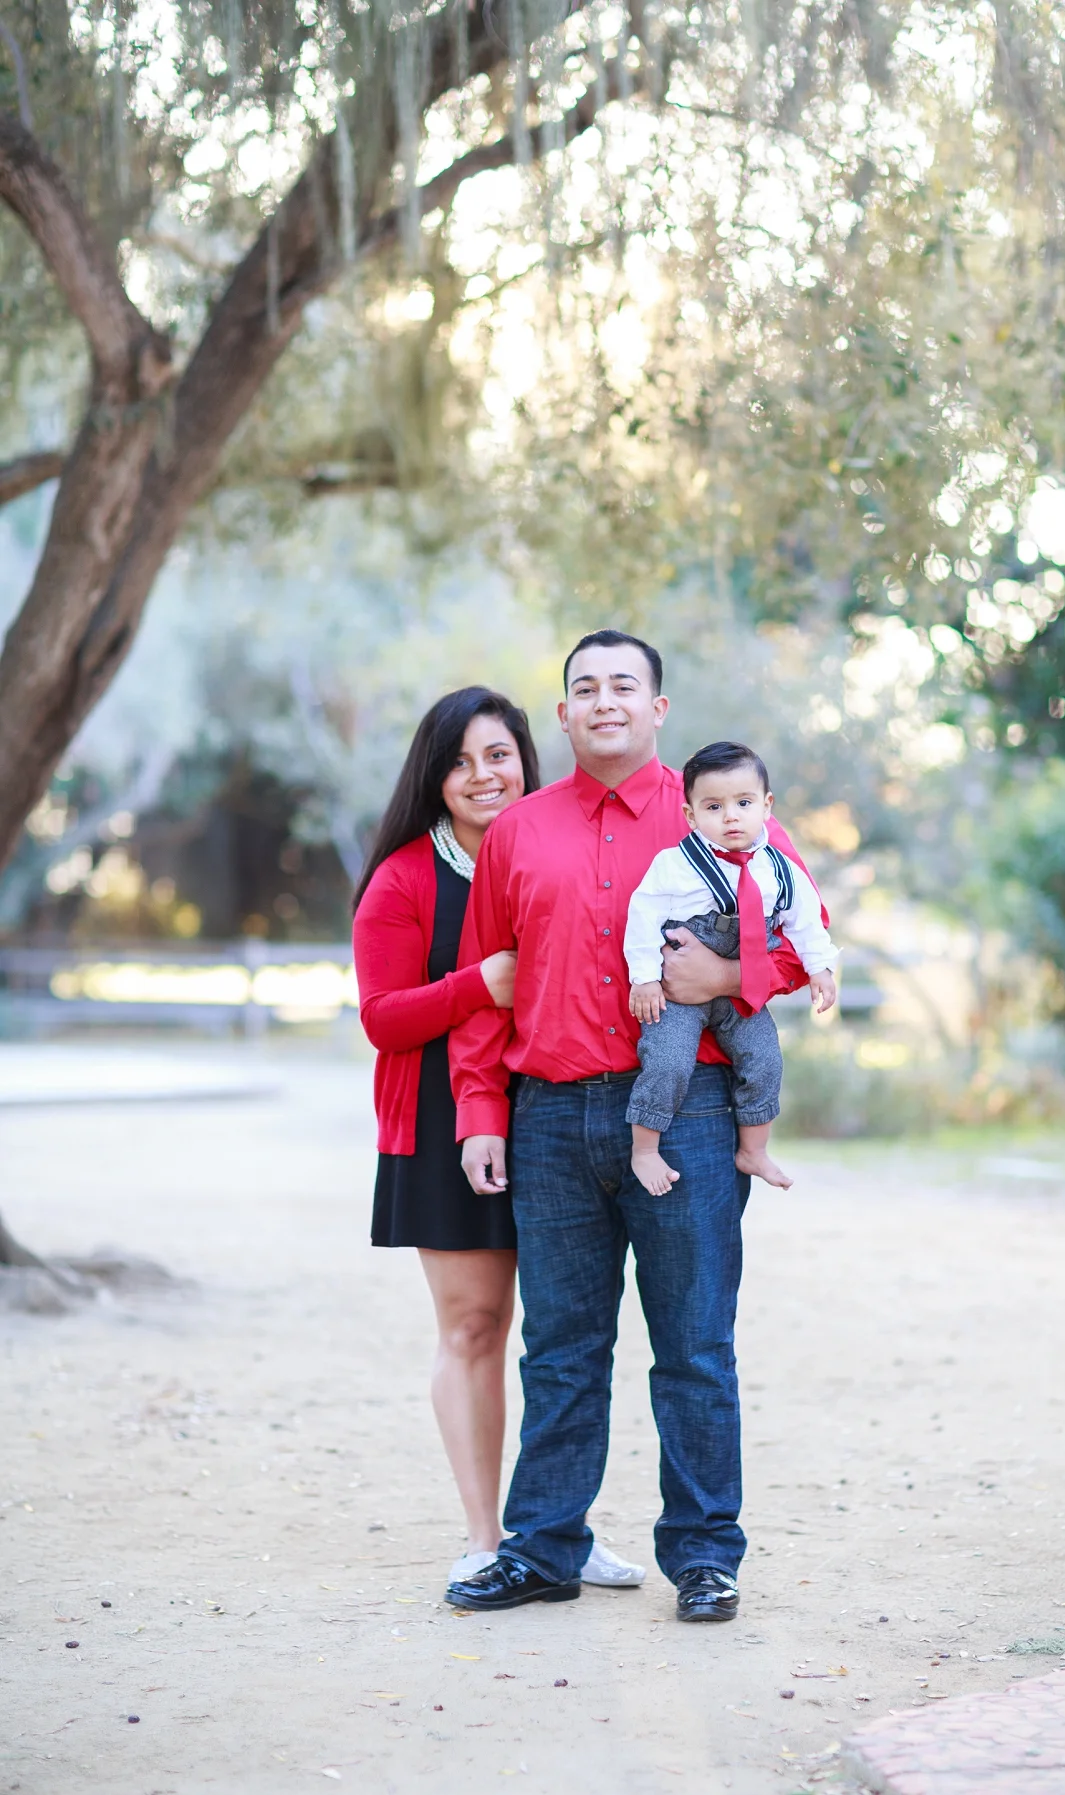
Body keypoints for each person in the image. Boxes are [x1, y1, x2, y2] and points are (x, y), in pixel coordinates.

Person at [441, 630, 826, 1622]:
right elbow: (486, 985)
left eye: (624, 685)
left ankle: (704, 1558)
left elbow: (806, 938)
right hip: (550, 1117)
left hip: (690, 1116)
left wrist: (731, 974)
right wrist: (481, 1111)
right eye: (585, 687)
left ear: (658, 708)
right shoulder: (518, 832)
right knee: (560, 1348)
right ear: (563, 714)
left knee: (694, 1344)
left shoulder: (722, 811)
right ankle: (543, 1547)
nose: (603, 700)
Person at [351, 686, 646, 1589]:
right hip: (444, 1123)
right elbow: (382, 1017)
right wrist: (480, 982)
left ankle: (559, 1527)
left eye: (498, 755)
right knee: (477, 1326)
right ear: (434, 778)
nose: (483, 775)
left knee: (568, 1335)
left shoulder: (567, 845)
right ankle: (488, 1536)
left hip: (562, 1111)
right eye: (460, 762)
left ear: (526, 758)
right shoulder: (404, 879)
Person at [623, 739, 839, 1198]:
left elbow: (805, 924)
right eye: (714, 807)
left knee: (765, 1057)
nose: (730, 817)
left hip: (740, 990)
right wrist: (644, 977)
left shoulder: (781, 871)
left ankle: (754, 1149)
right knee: (667, 1060)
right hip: (678, 992)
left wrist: (821, 968)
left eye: (743, 803)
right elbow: (641, 916)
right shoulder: (675, 865)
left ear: (767, 806)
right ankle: (645, 1149)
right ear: (691, 815)